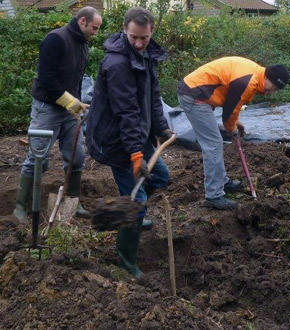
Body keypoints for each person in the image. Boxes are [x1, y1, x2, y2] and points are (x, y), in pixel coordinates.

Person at [86, 7, 172, 279]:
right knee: (139, 199)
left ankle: (131, 210)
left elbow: (153, 96)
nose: (138, 43)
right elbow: (126, 112)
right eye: (134, 37)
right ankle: (125, 260)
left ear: (151, 33)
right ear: (124, 30)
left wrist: (161, 127)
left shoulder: (147, 56)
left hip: (137, 134)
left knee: (161, 175)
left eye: (144, 38)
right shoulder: (117, 64)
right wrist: (136, 153)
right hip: (116, 140)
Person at [13, 7, 102, 224]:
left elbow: (77, 79)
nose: (96, 33)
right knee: (37, 157)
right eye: (94, 28)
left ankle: (72, 201)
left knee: (76, 157)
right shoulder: (55, 39)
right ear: (82, 21)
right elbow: (46, 79)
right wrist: (70, 102)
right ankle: (20, 207)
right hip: (47, 109)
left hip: (69, 112)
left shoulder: (82, 45)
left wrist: (77, 103)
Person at [177, 56, 290, 210]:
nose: (272, 92)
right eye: (274, 87)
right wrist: (232, 129)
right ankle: (214, 195)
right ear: (269, 78)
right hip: (194, 95)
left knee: (215, 142)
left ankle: (222, 182)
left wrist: (234, 124)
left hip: (199, 93)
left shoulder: (255, 74)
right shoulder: (248, 81)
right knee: (213, 144)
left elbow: (232, 106)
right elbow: (228, 115)